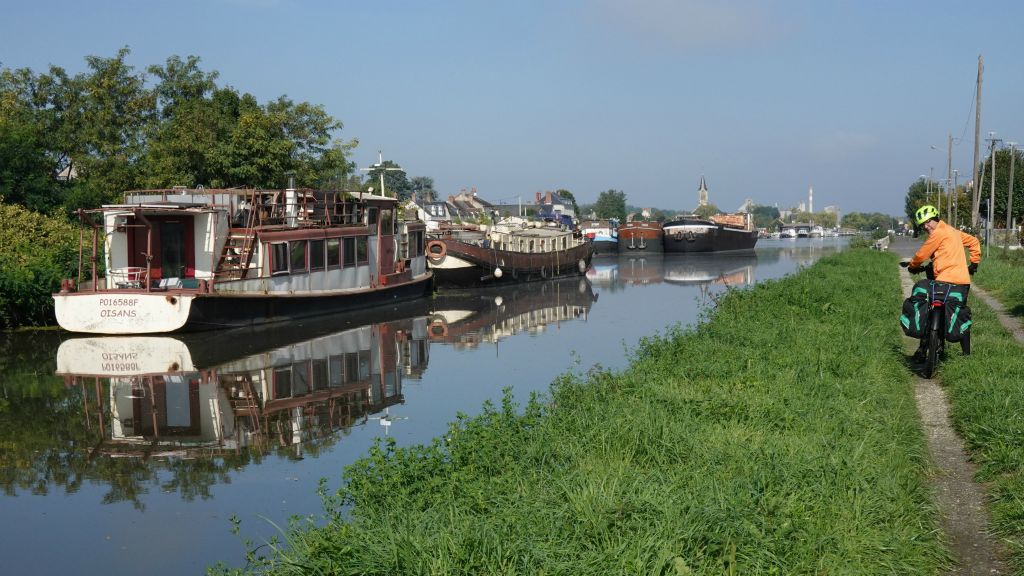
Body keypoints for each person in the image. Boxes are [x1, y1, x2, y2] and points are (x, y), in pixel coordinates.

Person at [903, 204, 981, 357]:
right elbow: (974, 242)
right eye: (923, 224)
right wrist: (974, 263)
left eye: (928, 222)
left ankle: (922, 349)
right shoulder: (953, 231)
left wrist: (912, 266)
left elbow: (921, 254)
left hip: (944, 281)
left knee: (931, 309)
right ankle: (966, 355)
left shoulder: (937, 234)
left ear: (936, 219)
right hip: (962, 282)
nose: (926, 226)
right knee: (959, 313)